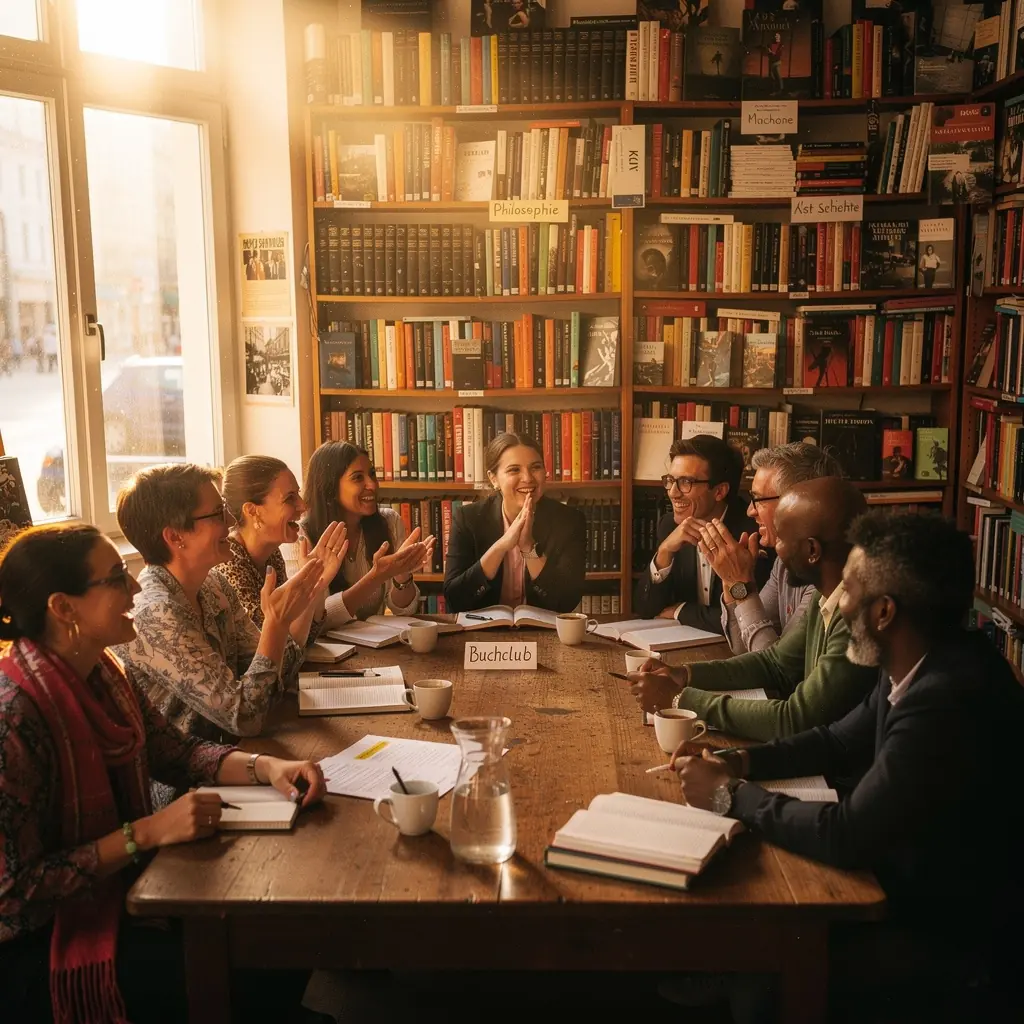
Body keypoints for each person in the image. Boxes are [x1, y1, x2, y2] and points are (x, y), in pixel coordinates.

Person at [671, 513, 1024, 1017]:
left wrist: (730, 795)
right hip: (904, 887)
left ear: (883, 612)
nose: (837, 603)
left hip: (947, 939)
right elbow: (836, 741)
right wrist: (739, 759)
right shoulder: (918, 658)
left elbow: (847, 834)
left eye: (849, 590)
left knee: (760, 963)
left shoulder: (945, 699)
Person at [0, 523, 326, 1023]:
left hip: (124, 886)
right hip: (47, 943)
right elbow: (15, 896)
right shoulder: (13, 717)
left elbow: (177, 752)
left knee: (284, 925)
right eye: (115, 578)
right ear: (62, 608)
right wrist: (146, 832)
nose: (134, 588)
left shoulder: (107, 674)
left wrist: (267, 767)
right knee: (250, 964)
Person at [629, 477, 876, 741]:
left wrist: (679, 697)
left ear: (812, 550)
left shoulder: (859, 619)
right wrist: (684, 674)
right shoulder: (826, 593)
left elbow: (795, 719)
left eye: (781, 538)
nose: (776, 552)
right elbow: (774, 662)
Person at [114, 463, 330, 741]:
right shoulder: (156, 614)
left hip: (228, 759)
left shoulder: (213, 586)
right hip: (187, 780)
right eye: (218, 513)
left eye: (225, 507)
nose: (231, 520)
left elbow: (282, 672)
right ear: (175, 536)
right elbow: (244, 717)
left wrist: (305, 595)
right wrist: (276, 625)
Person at [704, 442, 843, 655]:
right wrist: (731, 580)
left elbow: (777, 666)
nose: (750, 511)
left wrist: (740, 581)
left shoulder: (829, 571)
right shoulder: (783, 561)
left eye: (757, 499)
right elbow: (742, 648)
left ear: (795, 503)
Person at [633, 435, 769, 634]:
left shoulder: (754, 532)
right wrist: (664, 551)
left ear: (720, 491)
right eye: (670, 481)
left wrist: (683, 611)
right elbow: (645, 609)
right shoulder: (669, 525)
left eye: (686, 482)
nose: (672, 492)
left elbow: (752, 619)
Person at [443, 431, 586, 612]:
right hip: (483, 633)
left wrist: (528, 547)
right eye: (514, 470)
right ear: (493, 478)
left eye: (535, 467)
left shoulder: (569, 521)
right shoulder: (467, 519)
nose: (527, 478)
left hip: (543, 633)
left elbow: (566, 602)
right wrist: (501, 546)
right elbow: (455, 600)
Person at [303, 441, 433, 625]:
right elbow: (317, 621)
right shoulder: (302, 537)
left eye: (372, 474)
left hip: (373, 648)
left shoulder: (389, 521)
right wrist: (376, 577)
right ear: (329, 487)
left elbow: (404, 610)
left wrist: (401, 573)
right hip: (322, 651)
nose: (372, 485)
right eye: (357, 478)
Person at [217, 455, 347, 636]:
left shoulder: (272, 554)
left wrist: (316, 585)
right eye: (289, 498)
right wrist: (308, 585)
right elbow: (275, 650)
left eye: (298, 494)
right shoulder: (229, 563)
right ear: (252, 511)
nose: (303, 505)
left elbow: (303, 638)